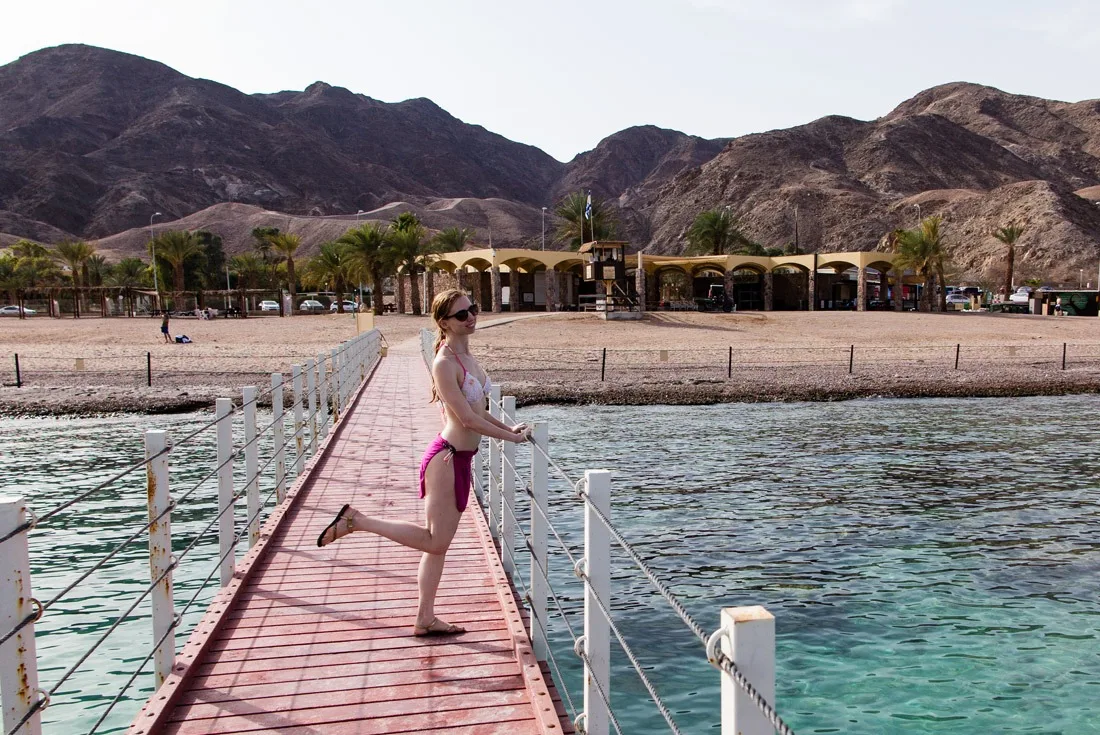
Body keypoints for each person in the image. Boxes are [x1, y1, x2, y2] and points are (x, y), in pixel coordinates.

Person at [316, 289, 530, 636]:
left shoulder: (469, 357)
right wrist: (512, 439)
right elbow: (466, 420)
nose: (471, 317)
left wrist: (510, 427)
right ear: (443, 322)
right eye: (462, 315)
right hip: (447, 459)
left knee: (437, 547)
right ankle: (357, 520)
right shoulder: (444, 363)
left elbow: (482, 411)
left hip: (461, 458)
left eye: (472, 310)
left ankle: (425, 618)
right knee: (435, 542)